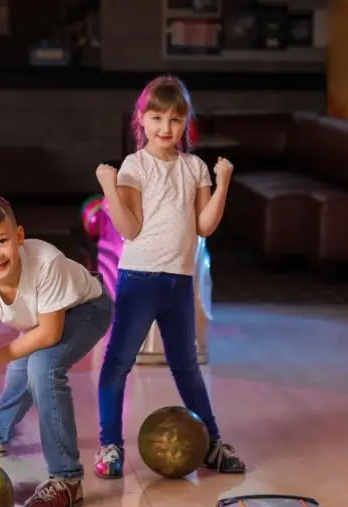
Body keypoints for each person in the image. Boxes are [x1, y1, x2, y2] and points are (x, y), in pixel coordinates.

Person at [92, 74, 245, 479]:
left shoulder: (194, 167)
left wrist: (224, 181)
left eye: (175, 120)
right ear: (140, 120)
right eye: (157, 118)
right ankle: (110, 446)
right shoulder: (133, 166)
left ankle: (211, 442)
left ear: (185, 124)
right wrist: (109, 187)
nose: (165, 128)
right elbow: (129, 229)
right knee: (118, 363)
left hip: (179, 282)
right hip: (139, 280)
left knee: (187, 366)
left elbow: (205, 226)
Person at [0, 192, 113, 507]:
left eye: (1, 241)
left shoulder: (46, 262)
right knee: (20, 369)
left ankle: (67, 479)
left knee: (41, 367)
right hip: (43, 320)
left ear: (19, 236)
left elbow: (49, 333)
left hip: (87, 308)